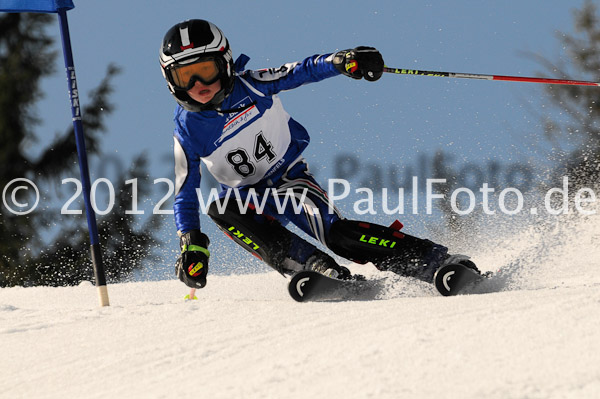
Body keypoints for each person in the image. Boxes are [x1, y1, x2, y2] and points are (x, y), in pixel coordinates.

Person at [159, 19, 479, 290]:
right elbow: (185, 195)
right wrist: (192, 244)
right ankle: (314, 267)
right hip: (250, 200)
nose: (199, 84)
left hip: (289, 181)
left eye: (206, 71)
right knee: (221, 209)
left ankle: (435, 262)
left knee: (337, 234)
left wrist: (342, 61)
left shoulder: (253, 85)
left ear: (225, 65)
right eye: (185, 77)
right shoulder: (187, 129)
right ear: (172, 82)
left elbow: (302, 70)